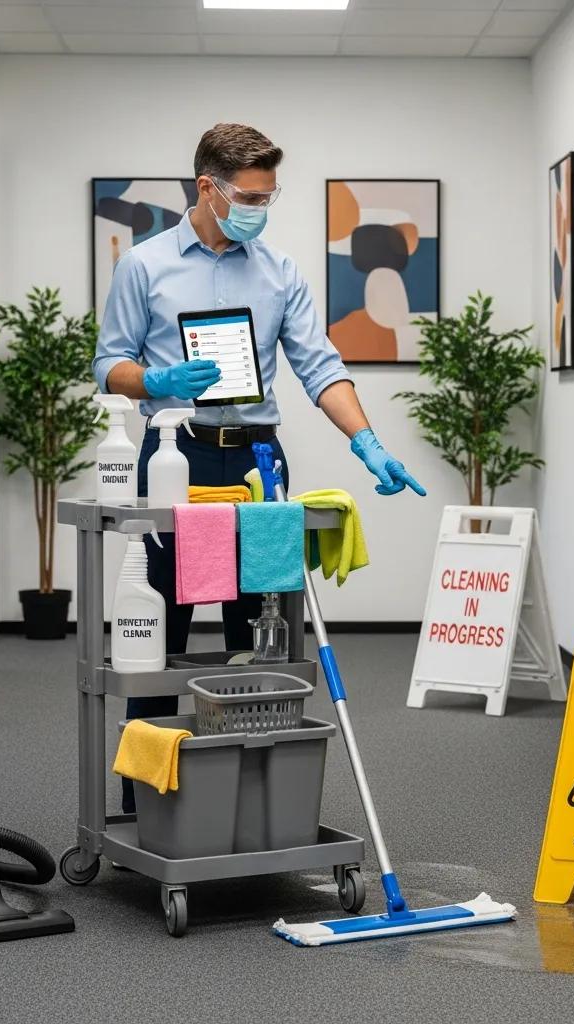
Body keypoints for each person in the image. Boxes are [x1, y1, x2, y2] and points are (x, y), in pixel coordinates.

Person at [92, 122, 425, 812]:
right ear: (207, 188)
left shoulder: (279, 273)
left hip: (255, 463)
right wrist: (157, 381)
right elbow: (108, 366)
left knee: (260, 635)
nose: (260, 209)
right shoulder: (145, 266)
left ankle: (252, 800)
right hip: (173, 456)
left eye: (269, 197)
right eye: (250, 196)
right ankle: (148, 801)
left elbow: (320, 368)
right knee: (160, 636)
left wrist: (368, 442)